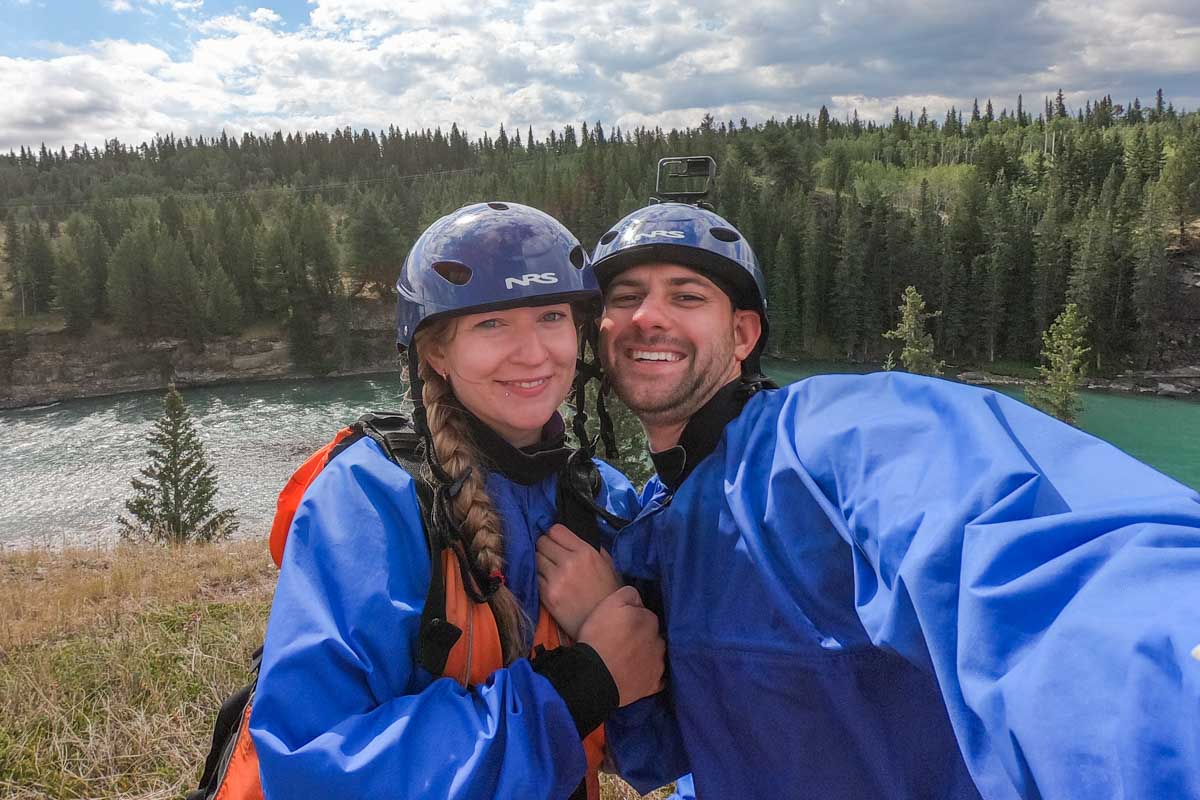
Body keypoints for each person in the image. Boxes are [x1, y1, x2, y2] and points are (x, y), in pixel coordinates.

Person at [537, 201, 1200, 799]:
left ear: (742, 336)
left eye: (686, 296)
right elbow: (670, 751)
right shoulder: (653, 528)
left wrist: (1173, 694)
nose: (648, 317)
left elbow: (1046, 566)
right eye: (625, 297)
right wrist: (609, 626)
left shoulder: (835, 438)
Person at [248, 202, 671, 800]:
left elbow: (651, 751)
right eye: (491, 324)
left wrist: (615, 620)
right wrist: (580, 687)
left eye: (551, 316)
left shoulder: (601, 498)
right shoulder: (373, 502)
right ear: (436, 354)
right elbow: (313, 766)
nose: (531, 353)